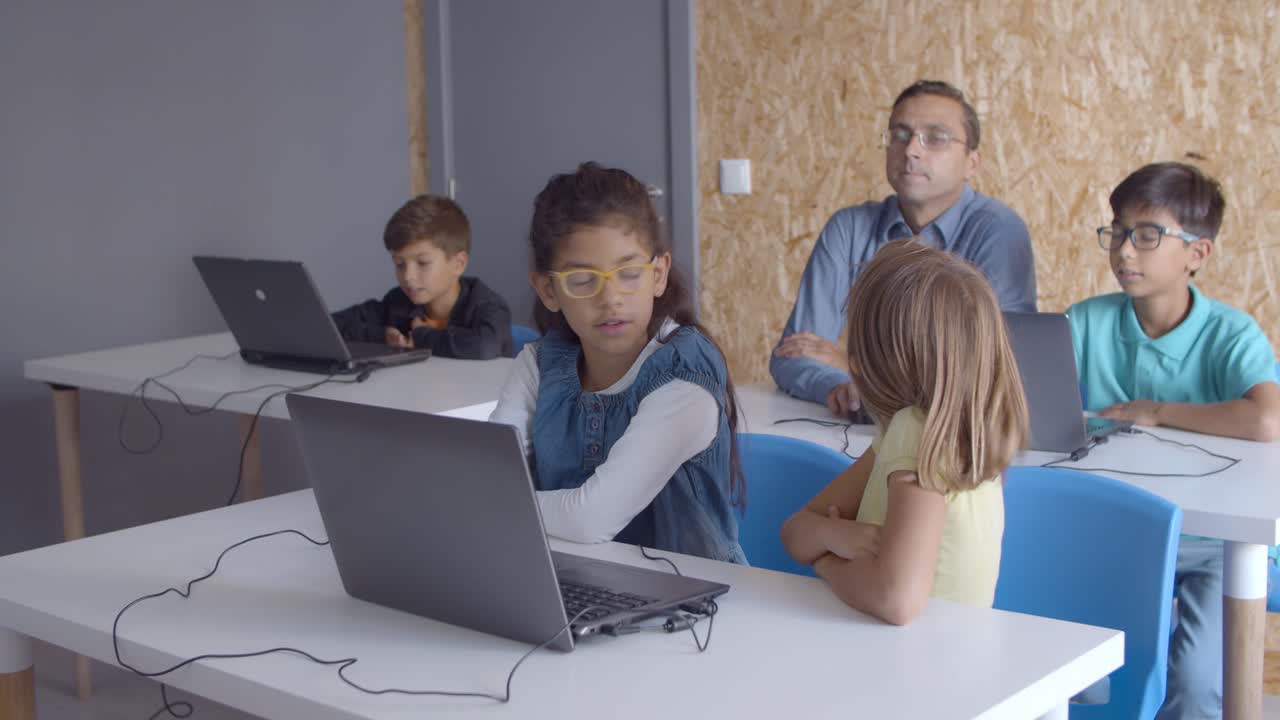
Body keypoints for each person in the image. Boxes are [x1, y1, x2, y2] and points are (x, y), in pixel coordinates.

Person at [1068, 162, 1280, 719]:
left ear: (1197, 254)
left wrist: (1156, 412)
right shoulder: (1086, 322)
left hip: (1218, 543)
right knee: (1093, 671)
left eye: (1146, 235)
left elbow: (1266, 420)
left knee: (1196, 679)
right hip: (1120, 529)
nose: (1124, 251)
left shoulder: (1230, 334)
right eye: (1117, 231)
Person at [488, 162, 746, 563]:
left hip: (697, 606)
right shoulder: (538, 365)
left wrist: (499, 505)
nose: (610, 298)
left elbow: (590, 519)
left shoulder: (686, 378)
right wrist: (488, 497)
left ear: (658, 274)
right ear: (548, 290)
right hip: (570, 583)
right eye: (582, 280)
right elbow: (490, 474)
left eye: (628, 273)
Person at [780, 240, 1028, 624]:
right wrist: (833, 535)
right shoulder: (943, 430)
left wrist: (827, 562)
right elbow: (796, 532)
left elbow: (896, 598)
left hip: (917, 670)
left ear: (875, 359)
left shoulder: (916, 431)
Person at [772, 80, 1035, 418]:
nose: (911, 149)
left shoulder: (999, 231)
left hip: (959, 445)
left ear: (972, 162)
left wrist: (857, 371)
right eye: (899, 135)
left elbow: (995, 369)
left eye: (935, 138)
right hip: (857, 434)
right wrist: (841, 387)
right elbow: (792, 355)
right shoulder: (849, 228)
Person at [331, 194, 513, 359]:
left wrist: (422, 336)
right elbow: (331, 325)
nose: (408, 277)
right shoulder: (398, 302)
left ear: (459, 264)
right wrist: (382, 336)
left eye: (423, 263)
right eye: (399, 264)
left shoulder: (488, 307)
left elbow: (484, 347)